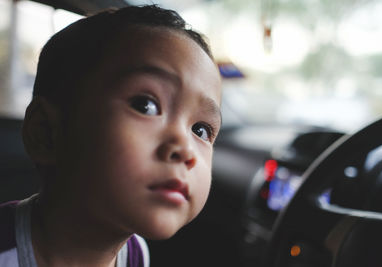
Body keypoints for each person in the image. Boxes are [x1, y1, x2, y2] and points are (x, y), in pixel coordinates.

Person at [0, 4, 222, 267]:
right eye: (145, 105)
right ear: (46, 132)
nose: (185, 149)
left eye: (200, 130)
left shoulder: (135, 253)